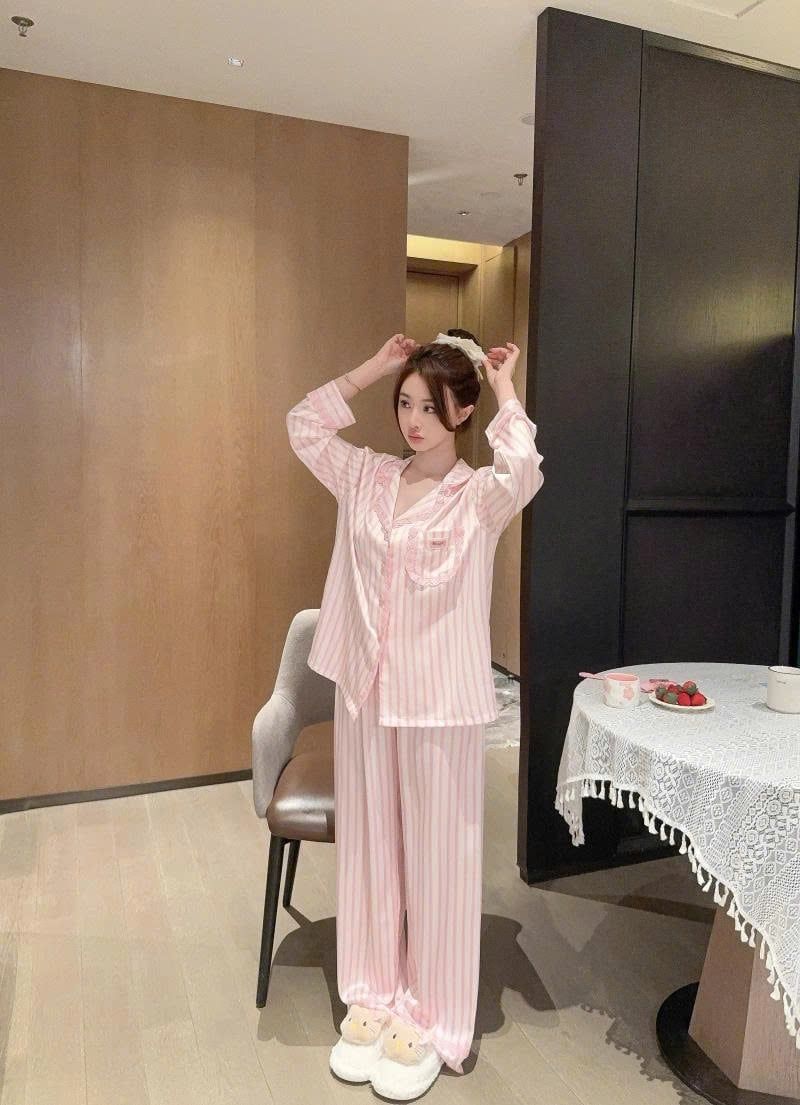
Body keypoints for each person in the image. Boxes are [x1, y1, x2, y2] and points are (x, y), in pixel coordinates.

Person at [285, 330, 544, 1100]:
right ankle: (372, 989)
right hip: (366, 693)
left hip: (438, 704)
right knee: (370, 850)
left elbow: (525, 468)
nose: (413, 419)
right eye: (405, 403)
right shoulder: (366, 476)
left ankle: (432, 1013)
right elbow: (304, 424)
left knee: (437, 858)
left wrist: (505, 386)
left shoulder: (478, 498)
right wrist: (373, 367)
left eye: (431, 406)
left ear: (461, 412)